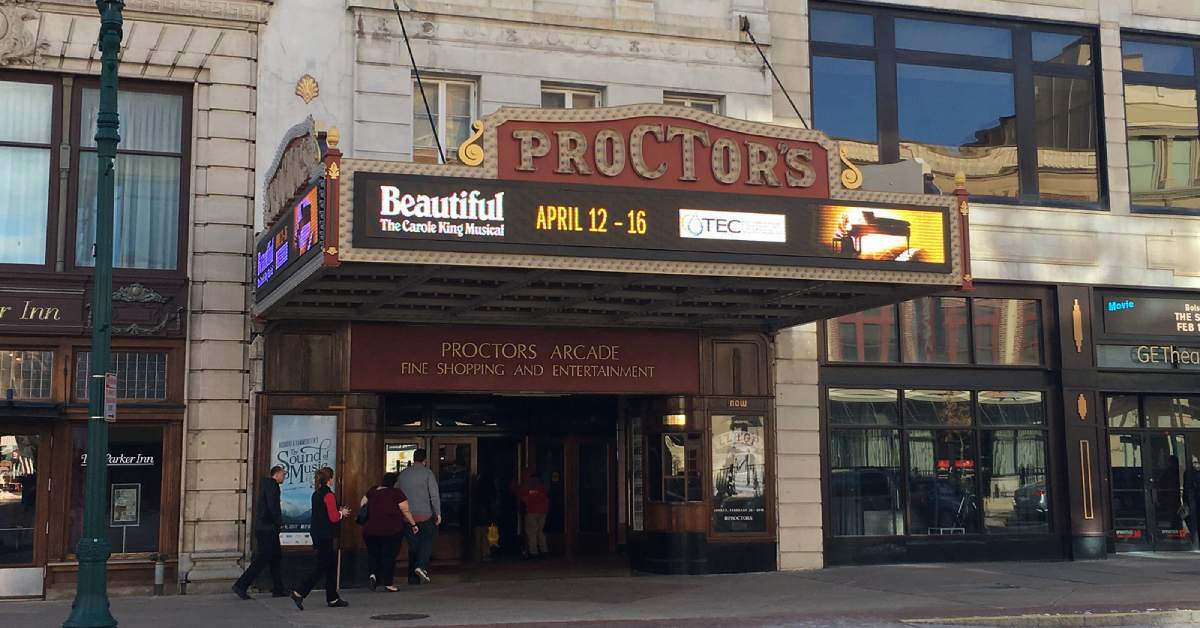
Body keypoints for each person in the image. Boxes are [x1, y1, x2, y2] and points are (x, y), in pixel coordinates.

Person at [291, 467, 350, 610]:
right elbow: (333, 517)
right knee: (323, 566)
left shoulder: (316, 494)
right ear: (330, 479)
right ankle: (300, 592)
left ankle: (333, 597)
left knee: (329, 566)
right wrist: (342, 513)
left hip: (318, 533)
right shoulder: (329, 495)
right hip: (326, 535)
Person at [232, 465, 287, 599]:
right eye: (283, 474)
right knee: (262, 559)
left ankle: (278, 588)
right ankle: (241, 585)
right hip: (268, 528)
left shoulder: (267, 485)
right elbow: (272, 506)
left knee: (275, 558)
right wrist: (279, 521)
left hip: (266, 527)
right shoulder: (272, 486)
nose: (284, 477)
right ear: (277, 474)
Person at [360, 472, 418, 592]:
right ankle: (388, 583)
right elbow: (405, 510)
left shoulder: (372, 491)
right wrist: (413, 524)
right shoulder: (397, 493)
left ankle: (373, 575)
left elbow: (362, 504)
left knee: (373, 554)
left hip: (370, 529)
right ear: (394, 483)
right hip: (391, 530)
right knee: (389, 556)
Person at [396, 448, 440, 584]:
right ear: (425, 460)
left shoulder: (403, 474)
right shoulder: (428, 474)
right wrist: (437, 512)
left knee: (413, 546)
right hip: (425, 515)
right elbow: (434, 495)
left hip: (407, 517)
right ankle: (421, 566)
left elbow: (396, 492)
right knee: (427, 540)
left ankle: (412, 577)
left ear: (413, 458)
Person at [514, 469, 549, 558]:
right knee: (540, 532)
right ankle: (544, 550)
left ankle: (534, 552)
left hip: (531, 511)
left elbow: (521, 496)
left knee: (531, 532)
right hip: (543, 512)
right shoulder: (542, 486)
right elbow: (546, 497)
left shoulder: (527, 485)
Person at [1184, 455, 1200, 550]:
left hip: (1196, 499)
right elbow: (1186, 488)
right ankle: (1195, 541)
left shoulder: (1196, 473)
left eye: (1196, 462)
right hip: (1191, 500)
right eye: (1193, 462)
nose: (1195, 464)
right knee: (1192, 521)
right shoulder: (1188, 473)